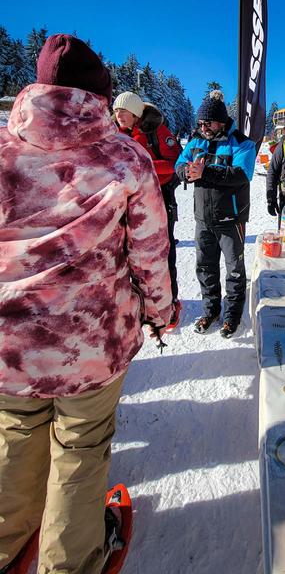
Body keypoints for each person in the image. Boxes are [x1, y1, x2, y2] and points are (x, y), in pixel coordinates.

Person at [0, 35, 172, 573]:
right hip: (91, 344)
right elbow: (149, 251)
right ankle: (68, 564)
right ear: (100, 95)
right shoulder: (124, 158)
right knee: (80, 448)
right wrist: (161, 312)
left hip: (11, 345)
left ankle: (7, 547)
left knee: (14, 437)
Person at [175, 90, 256, 339]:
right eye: (200, 123)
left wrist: (205, 173)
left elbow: (242, 175)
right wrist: (186, 173)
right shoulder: (196, 141)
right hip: (203, 219)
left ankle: (232, 315)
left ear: (221, 121)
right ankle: (210, 311)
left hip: (231, 220)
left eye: (207, 123)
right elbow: (180, 164)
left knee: (234, 270)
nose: (203, 127)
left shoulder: (242, 142)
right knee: (205, 268)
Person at [113, 91, 182, 329]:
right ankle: (140, 304)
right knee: (128, 255)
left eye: (124, 110)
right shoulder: (114, 135)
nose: (118, 114)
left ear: (136, 113)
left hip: (159, 199)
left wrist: (142, 168)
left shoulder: (156, 131)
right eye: (116, 111)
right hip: (126, 204)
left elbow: (176, 165)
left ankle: (171, 303)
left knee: (162, 252)